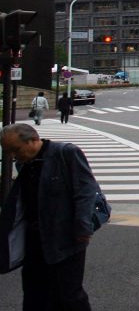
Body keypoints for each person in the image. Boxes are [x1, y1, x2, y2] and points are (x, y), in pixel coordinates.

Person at [0, 123, 104, 310]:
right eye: (8, 152)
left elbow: (85, 191)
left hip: (67, 237)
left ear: (33, 140)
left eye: (15, 150)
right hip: (34, 240)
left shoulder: (65, 153)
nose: (13, 156)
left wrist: (82, 228)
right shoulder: (24, 163)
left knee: (69, 294)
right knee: (34, 292)